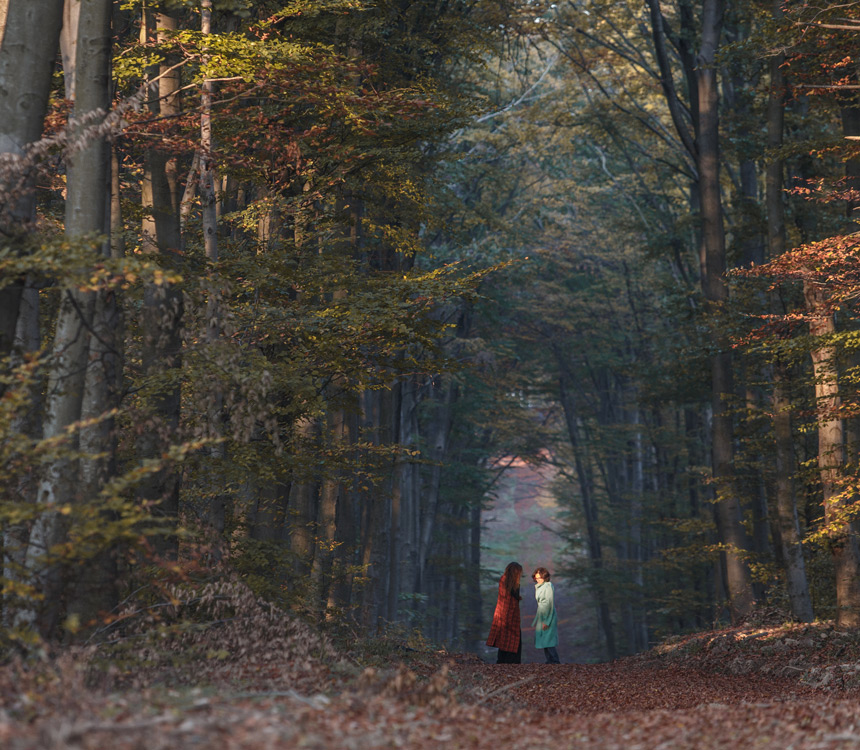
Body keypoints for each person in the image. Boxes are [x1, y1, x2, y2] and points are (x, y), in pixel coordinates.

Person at [486, 561, 523, 663]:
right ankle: (507, 662)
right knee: (509, 639)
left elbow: (513, 597)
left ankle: (506, 661)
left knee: (509, 639)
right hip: (505, 614)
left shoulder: (508, 581)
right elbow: (507, 599)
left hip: (508, 614)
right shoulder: (506, 580)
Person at [532, 566, 560, 664]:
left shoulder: (548, 586)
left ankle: (555, 661)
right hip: (542, 614)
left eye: (539, 578)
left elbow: (550, 604)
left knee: (549, 639)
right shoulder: (540, 586)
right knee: (544, 639)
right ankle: (549, 660)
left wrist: (547, 621)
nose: (537, 580)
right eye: (536, 578)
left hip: (548, 614)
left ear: (544, 577)